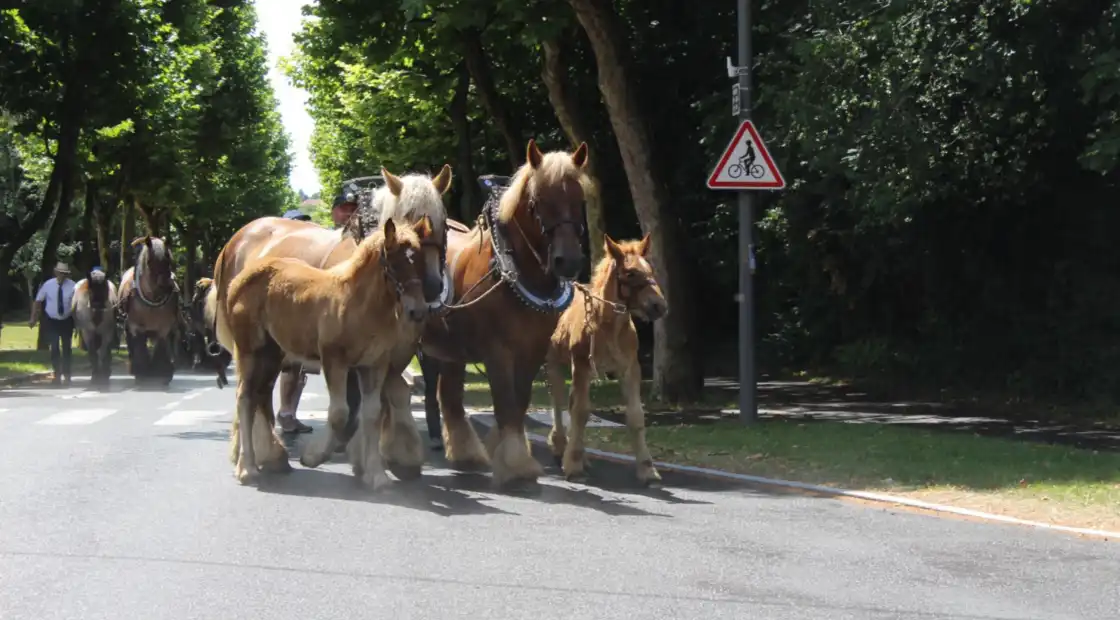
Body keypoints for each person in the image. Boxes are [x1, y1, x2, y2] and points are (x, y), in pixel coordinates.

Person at [30, 262, 76, 386]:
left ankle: (67, 375)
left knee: (67, 348)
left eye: (64, 274)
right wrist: (33, 318)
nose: (62, 276)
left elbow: (77, 304)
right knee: (54, 347)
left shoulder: (73, 286)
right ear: (56, 273)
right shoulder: (48, 285)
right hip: (52, 320)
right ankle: (57, 374)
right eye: (60, 273)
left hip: (67, 320)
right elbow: (38, 301)